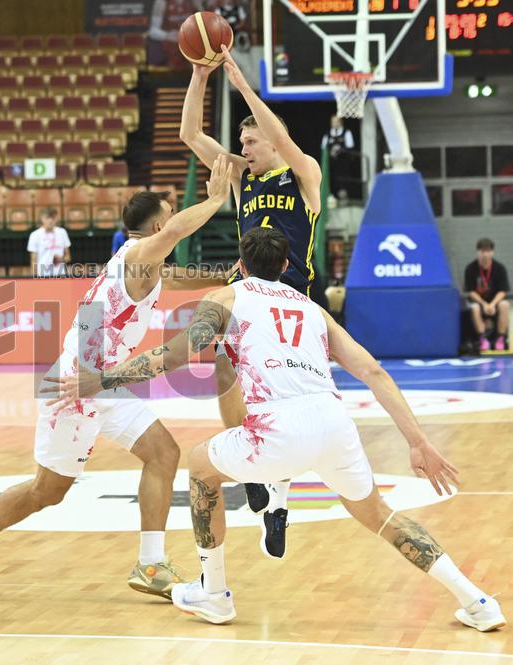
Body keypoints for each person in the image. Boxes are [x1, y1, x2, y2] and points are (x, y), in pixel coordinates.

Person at [45, 227, 506, 633]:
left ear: (241, 265)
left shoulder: (226, 297)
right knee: (380, 516)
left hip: (277, 426)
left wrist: (102, 378)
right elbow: (374, 372)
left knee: (200, 466)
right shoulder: (312, 308)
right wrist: (418, 442)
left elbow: (174, 355)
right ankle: (478, 602)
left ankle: (215, 593)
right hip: (333, 423)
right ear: (286, 266)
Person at [0, 157, 236, 599]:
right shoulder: (140, 253)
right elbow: (177, 234)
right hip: (76, 386)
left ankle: (150, 564)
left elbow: (175, 279)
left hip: (104, 383)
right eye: (170, 212)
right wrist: (216, 199)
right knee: (48, 491)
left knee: (163, 453)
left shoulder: (143, 266)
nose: (173, 219)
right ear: (158, 224)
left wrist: (223, 277)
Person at [180, 44, 327, 554]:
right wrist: (201, 75)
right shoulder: (242, 179)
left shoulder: (303, 171)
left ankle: (280, 504)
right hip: (247, 298)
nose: (242, 147)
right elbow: (190, 135)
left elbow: (283, 138)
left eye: (250, 139)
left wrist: (242, 84)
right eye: (240, 139)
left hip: (293, 299)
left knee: (283, 400)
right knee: (223, 375)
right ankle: (258, 475)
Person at [464, 238, 510, 352]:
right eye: (482, 251)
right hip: (479, 302)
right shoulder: (470, 268)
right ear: (478, 252)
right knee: (474, 308)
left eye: (488, 251)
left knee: (505, 304)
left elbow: (503, 291)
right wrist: (484, 304)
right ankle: (482, 338)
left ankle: (501, 338)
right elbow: (470, 291)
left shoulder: (500, 268)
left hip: (494, 301)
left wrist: (493, 304)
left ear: (492, 252)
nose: (485, 255)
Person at [321, 115, 357, 200]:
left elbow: (350, 147)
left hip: (343, 164)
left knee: (343, 181)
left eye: (336, 121)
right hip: (331, 164)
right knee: (331, 179)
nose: (334, 124)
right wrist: (331, 152)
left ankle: (344, 195)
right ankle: (331, 196)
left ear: (341, 122)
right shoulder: (327, 134)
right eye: (333, 122)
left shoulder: (346, 132)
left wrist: (340, 150)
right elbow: (323, 148)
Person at [27, 208, 71, 277]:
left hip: (60, 275)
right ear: (42, 218)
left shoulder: (62, 232)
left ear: (56, 219)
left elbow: (68, 257)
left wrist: (61, 259)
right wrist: (34, 277)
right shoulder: (35, 235)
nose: (50, 221)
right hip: (42, 275)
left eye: (53, 218)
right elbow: (33, 259)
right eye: (47, 218)